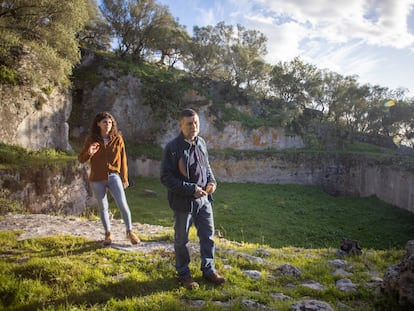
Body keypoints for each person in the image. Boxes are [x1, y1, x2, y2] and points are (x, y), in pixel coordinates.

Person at [160, 108, 225, 289]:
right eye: (189, 123)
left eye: (196, 122)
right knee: (181, 241)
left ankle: (208, 270)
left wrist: (212, 182)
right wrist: (191, 189)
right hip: (183, 202)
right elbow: (166, 177)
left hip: (204, 201)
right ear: (181, 125)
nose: (194, 126)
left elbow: (207, 167)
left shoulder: (201, 142)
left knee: (208, 237)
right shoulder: (172, 148)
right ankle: (184, 274)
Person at [78, 111, 139, 246]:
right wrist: (89, 152)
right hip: (97, 178)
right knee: (103, 207)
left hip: (114, 176)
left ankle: (130, 232)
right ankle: (108, 234)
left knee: (123, 204)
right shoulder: (91, 139)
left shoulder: (118, 138)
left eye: (110, 122)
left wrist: (124, 177)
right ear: (98, 124)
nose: (108, 124)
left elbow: (123, 159)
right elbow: (81, 159)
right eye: (105, 122)